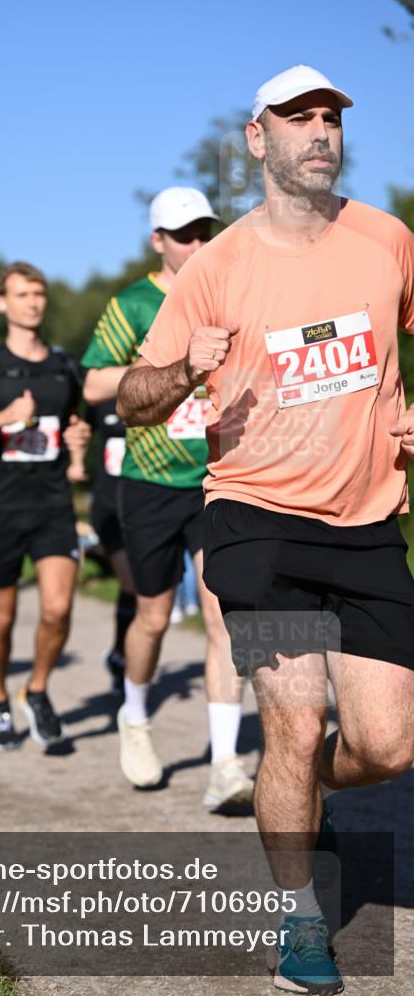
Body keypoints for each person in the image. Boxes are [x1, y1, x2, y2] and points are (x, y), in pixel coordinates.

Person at [117, 65, 414, 996]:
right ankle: (300, 921)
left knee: (390, 747)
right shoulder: (216, 267)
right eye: (297, 119)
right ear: (257, 139)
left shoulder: (386, 240)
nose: (318, 132)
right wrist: (178, 372)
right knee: (296, 722)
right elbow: (133, 399)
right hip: (256, 522)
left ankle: (292, 792)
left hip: (367, 520)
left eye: (329, 117)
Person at [82, 187, 252, 809]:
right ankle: (134, 716)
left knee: (220, 619)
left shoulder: (228, 295)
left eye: (205, 231)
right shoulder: (132, 302)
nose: (198, 244)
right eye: (184, 235)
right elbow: (95, 380)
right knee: (152, 617)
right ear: (158, 241)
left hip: (218, 481)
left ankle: (226, 765)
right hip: (150, 482)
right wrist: (175, 371)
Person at [0, 261, 90, 751]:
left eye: (39, 293)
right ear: (2, 303)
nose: (33, 302)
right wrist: (5, 416)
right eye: (22, 294)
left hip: (51, 503)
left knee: (57, 607)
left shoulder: (65, 365)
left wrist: (78, 438)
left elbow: (73, 424)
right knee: (1, 616)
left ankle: (39, 689)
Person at [85, 398, 136, 698]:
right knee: (131, 584)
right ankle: (121, 658)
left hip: (148, 503)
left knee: (145, 594)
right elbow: (78, 431)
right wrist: (76, 461)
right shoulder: (101, 398)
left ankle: (122, 653)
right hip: (109, 506)